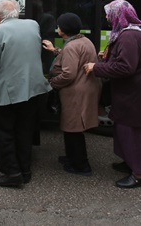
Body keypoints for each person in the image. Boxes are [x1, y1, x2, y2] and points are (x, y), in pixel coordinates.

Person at [83, 0, 141, 189]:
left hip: (139, 94)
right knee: (125, 130)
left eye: (108, 13)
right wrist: (107, 59)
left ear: (117, 15)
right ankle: (130, 162)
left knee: (135, 132)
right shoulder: (136, 32)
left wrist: (96, 67)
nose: (106, 17)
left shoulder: (128, 36)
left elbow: (126, 67)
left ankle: (140, 174)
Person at [0, 0, 52, 188]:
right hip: (33, 90)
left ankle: (12, 173)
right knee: (24, 131)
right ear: (18, 13)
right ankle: (25, 170)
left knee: (4, 133)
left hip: (6, 93)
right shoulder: (32, 25)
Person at [42, 13, 101, 177]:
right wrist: (55, 50)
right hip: (85, 89)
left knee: (73, 129)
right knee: (72, 128)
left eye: (59, 25)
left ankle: (81, 165)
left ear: (64, 29)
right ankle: (71, 158)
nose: (57, 28)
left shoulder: (71, 46)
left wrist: (51, 84)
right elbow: (74, 59)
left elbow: (68, 74)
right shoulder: (83, 41)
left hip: (76, 92)